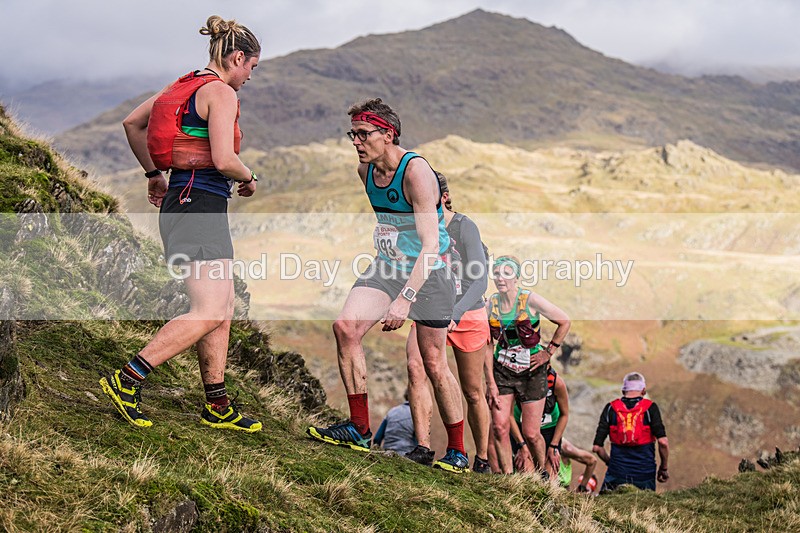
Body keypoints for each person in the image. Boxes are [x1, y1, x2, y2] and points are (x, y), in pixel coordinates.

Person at [100, 16, 262, 432]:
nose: (248, 77)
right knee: (208, 309)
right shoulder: (219, 92)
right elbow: (225, 160)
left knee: (222, 307)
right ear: (237, 57)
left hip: (182, 199)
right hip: (199, 203)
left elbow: (132, 124)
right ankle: (128, 379)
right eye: (251, 68)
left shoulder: (180, 86)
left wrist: (154, 174)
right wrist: (249, 177)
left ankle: (217, 404)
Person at [306, 99, 469, 473]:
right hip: (389, 266)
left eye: (364, 134)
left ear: (388, 134)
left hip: (430, 274)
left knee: (433, 364)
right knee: (345, 327)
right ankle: (360, 429)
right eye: (353, 134)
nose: (356, 142)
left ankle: (458, 451)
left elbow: (430, 247)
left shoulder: (416, 173)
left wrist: (404, 300)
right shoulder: (364, 170)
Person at [405, 172, 492, 473]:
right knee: (416, 368)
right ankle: (423, 446)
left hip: (466, 313)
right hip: (430, 309)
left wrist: (456, 312)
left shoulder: (465, 227)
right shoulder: (418, 226)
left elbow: (480, 281)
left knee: (472, 391)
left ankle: (482, 459)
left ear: (443, 196)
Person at [487, 256, 570, 475]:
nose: (500, 278)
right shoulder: (491, 303)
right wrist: (488, 379)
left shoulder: (529, 299)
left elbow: (564, 321)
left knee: (532, 433)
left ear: (516, 277)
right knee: (499, 426)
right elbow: (486, 343)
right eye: (496, 273)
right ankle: (508, 478)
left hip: (532, 371)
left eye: (506, 273)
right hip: (502, 370)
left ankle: (544, 475)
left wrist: (548, 352)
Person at [592, 372, 670, 492]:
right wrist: (663, 468)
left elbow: (597, 448)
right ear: (643, 390)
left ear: (623, 391)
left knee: (609, 507)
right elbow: (663, 443)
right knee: (642, 509)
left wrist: (611, 463)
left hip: (616, 475)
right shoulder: (650, 408)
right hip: (644, 476)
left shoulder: (610, 408)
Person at [513, 364, 569, 481]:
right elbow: (508, 415)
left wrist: (554, 446)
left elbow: (564, 415)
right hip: (524, 434)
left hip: (549, 433)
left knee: (549, 483)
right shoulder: (518, 381)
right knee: (530, 480)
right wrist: (521, 445)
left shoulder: (556, 383)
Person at [373, 391, 418, 455]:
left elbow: (377, 438)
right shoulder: (417, 415)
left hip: (387, 452)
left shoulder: (392, 411)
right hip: (407, 453)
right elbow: (418, 441)